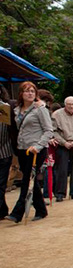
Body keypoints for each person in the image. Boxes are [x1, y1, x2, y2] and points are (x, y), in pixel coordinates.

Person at [5, 82, 52, 223]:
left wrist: (38, 146)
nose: (30, 93)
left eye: (32, 91)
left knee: (27, 180)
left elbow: (49, 130)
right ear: (21, 94)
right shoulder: (16, 109)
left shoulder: (40, 109)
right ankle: (41, 210)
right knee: (30, 180)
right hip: (22, 149)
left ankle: (17, 213)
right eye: (27, 91)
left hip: (36, 150)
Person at [0, 87, 15, 219]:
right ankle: (3, 209)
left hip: (3, 151)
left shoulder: (4, 108)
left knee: (1, 183)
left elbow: (4, 132)